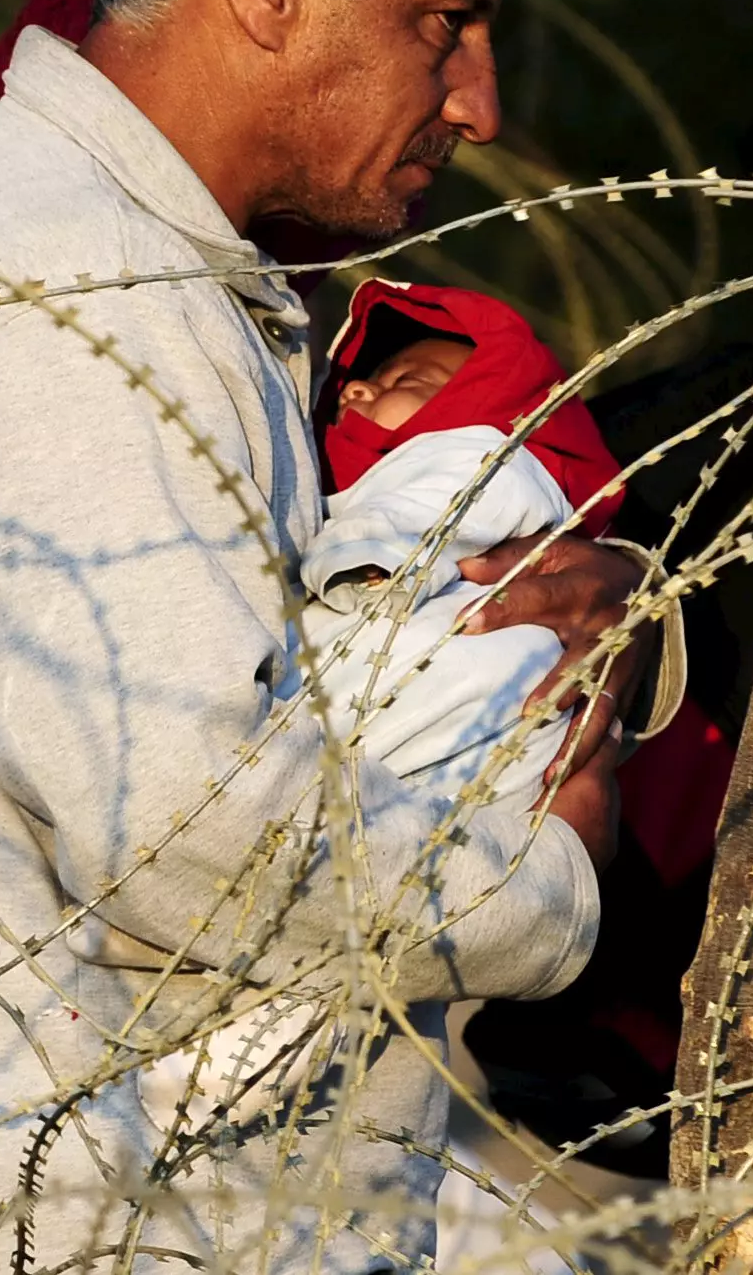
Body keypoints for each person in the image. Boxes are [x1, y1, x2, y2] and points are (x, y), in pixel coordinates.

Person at [0, 0, 680, 1271]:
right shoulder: (81, 289)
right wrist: (547, 882)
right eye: (442, 22)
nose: (474, 97)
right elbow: (185, 832)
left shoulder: (140, 262)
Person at [135, 277, 660, 1148]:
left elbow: (417, 519)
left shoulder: (472, 456)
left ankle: (227, 1073)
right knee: (354, 924)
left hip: (422, 696)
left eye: (411, 377)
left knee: (336, 891)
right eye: (366, 381)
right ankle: (240, 1071)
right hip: (467, 741)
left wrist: (362, 564)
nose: (360, 389)